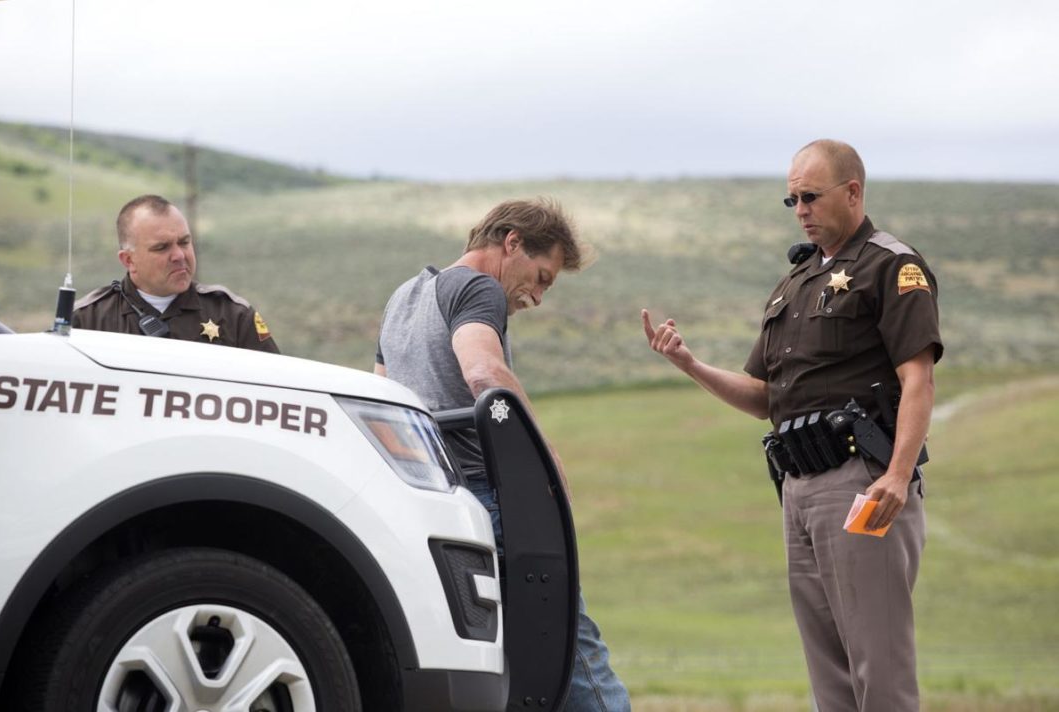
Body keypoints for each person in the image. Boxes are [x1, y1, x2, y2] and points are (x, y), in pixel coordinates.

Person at [643, 139, 942, 711]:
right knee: (829, 676)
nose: (800, 209)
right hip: (799, 489)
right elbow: (764, 397)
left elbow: (918, 381)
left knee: (879, 672)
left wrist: (899, 476)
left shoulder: (890, 266)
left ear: (852, 192)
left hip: (862, 482)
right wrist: (689, 364)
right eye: (791, 200)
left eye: (810, 196)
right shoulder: (795, 283)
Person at [375, 198, 631, 712]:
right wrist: (543, 454)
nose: (537, 296)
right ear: (511, 242)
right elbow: (484, 373)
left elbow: (382, 399)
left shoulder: (403, 297)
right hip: (489, 499)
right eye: (541, 277)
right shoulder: (476, 287)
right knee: (568, 649)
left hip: (429, 504)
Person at [73, 194, 279, 353]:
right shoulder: (87, 321)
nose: (179, 255)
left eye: (184, 242)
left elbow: (276, 385)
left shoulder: (232, 316)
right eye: (162, 248)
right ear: (129, 260)